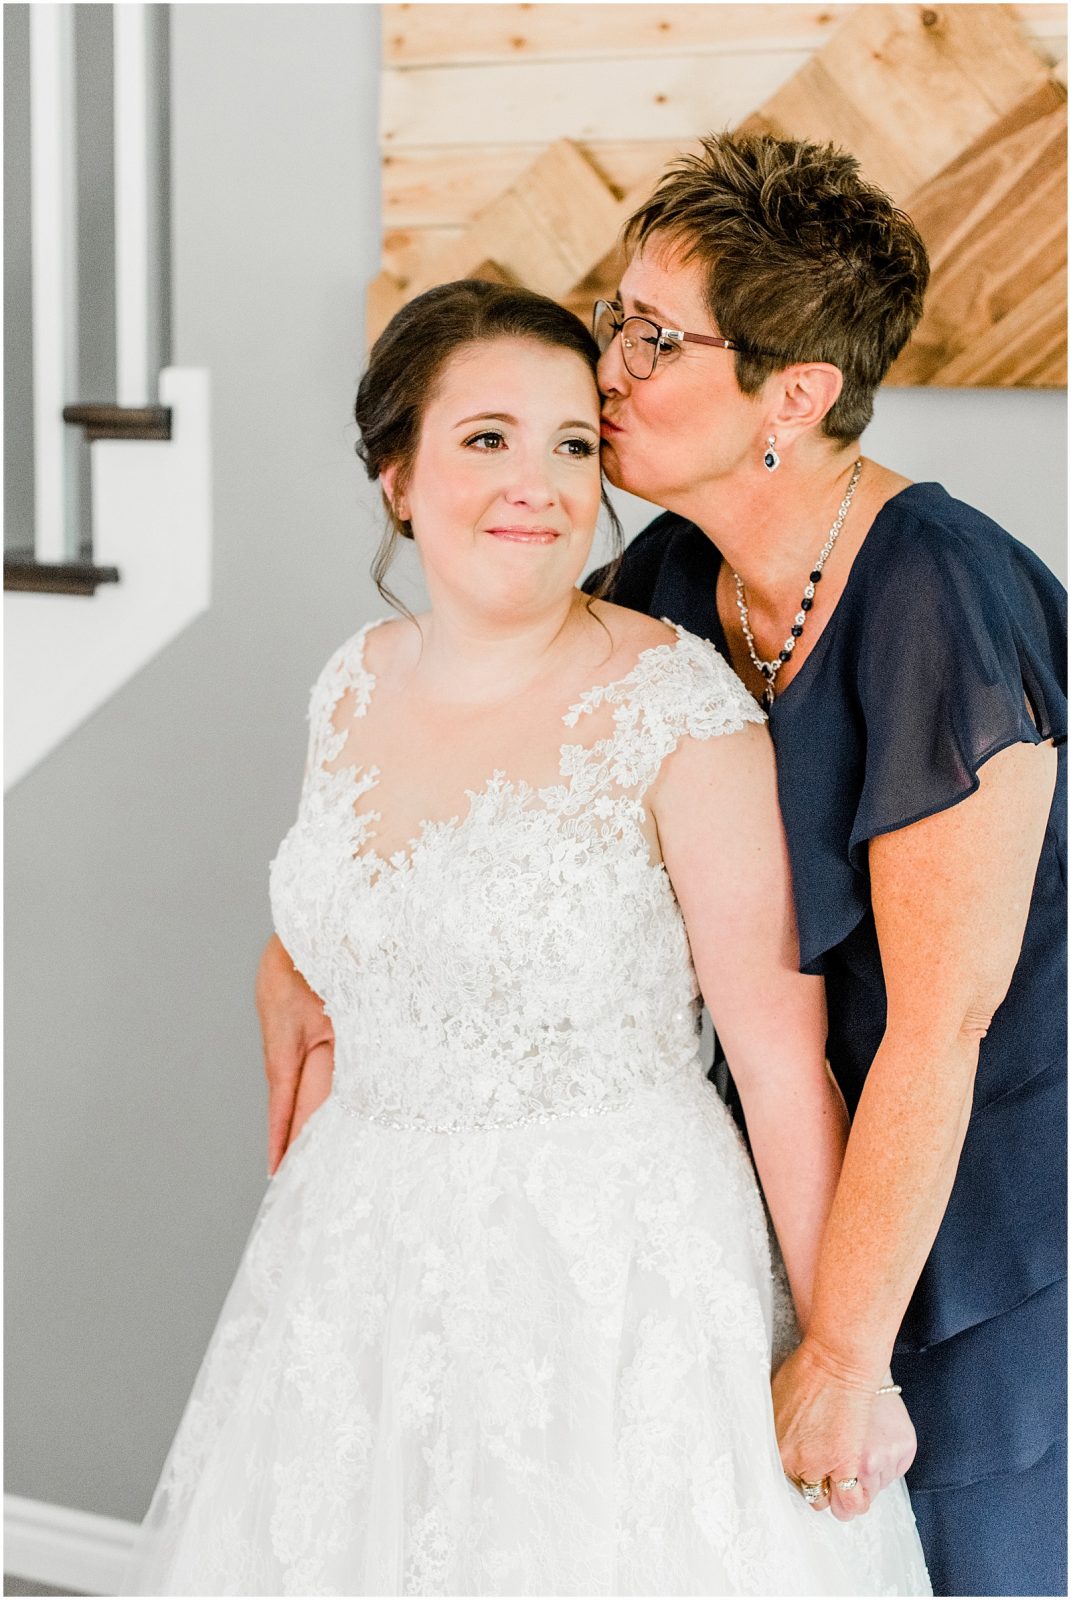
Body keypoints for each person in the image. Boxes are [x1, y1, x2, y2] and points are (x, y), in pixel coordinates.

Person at [257, 135, 1067, 1598]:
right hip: (788, 1180)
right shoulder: (674, 576)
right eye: (616, 314)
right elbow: (500, 769)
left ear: (795, 396)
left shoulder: (941, 593)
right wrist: (314, 931)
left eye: (653, 336)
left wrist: (842, 1346)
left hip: (975, 1193)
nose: (606, 365)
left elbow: (944, 1028)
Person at [124, 279, 931, 1596]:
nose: (540, 483)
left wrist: (852, 1362)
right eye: (487, 438)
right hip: (363, 1258)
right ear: (398, 473)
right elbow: (353, 962)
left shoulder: (679, 711)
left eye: (570, 444)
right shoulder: (351, 685)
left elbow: (784, 1071)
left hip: (609, 1276)